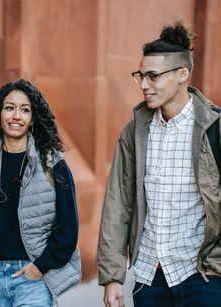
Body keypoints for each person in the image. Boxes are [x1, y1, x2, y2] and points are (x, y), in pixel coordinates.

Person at [98, 23, 221, 307]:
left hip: (204, 277)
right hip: (149, 278)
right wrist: (112, 276)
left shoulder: (213, 128)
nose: (143, 85)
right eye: (140, 76)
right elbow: (118, 204)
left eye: (153, 76)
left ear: (182, 74)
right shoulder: (134, 132)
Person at [0, 79, 81, 306]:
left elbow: (68, 227)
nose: (16, 116)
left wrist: (39, 267)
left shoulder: (52, 163)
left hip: (33, 278)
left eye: (25, 110)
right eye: (9, 108)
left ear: (32, 119)